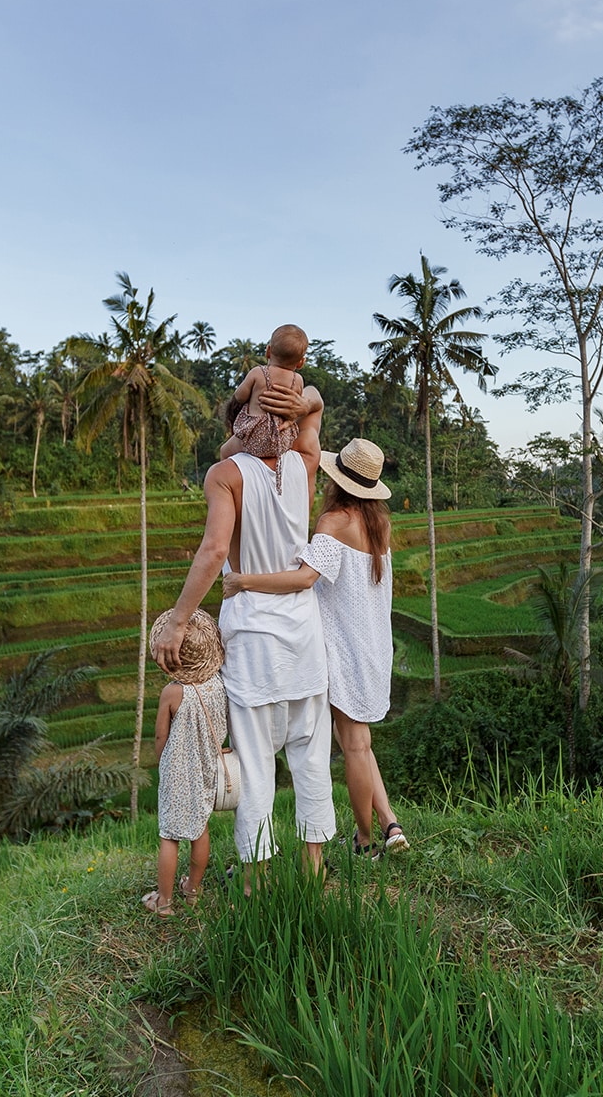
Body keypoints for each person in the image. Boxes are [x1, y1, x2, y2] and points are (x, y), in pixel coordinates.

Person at [151, 393, 334, 890]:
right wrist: (292, 398)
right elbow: (314, 404)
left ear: (238, 425)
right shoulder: (305, 462)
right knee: (311, 759)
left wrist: (178, 621)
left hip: (254, 642)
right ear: (290, 419)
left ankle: (254, 879)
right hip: (304, 639)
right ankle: (314, 870)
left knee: (254, 766)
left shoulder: (224, 475)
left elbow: (214, 550)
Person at [222, 437, 408, 858]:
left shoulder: (334, 521)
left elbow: (305, 578)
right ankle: (389, 824)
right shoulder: (379, 524)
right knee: (359, 741)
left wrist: (243, 581)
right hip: (374, 643)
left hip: (343, 647)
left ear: (337, 480)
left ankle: (364, 841)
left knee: (354, 745)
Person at [141, 607, 229, 917]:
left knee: (170, 835)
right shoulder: (219, 685)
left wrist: (162, 762)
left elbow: (160, 736)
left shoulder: (172, 693)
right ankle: (192, 890)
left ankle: (164, 902)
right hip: (206, 766)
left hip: (178, 769)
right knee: (199, 828)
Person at [220, 324, 321, 490]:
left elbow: (239, 396)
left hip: (254, 438)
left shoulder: (258, 372)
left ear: (268, 351)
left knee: (225, 451)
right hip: (282, 441)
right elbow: (294, 405)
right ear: (301, 362)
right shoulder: (298, 380)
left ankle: (231, 485)